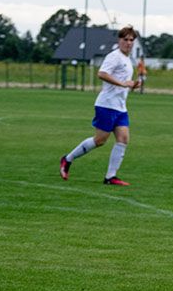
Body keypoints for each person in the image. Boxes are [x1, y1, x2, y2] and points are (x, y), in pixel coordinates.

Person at [59, 26, 141, 186]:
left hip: (120, 107)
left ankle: (110, 177)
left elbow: (122, 82)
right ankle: (67, 159)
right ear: (119, 40)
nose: (129, 43)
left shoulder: (128, 60)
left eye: (132, 40)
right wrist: (123, 83)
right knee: (100, 140)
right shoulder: (114, 56)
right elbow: (102, 74)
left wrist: (131, 85)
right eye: (126, 39)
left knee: (123, 139)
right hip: (107, 105)